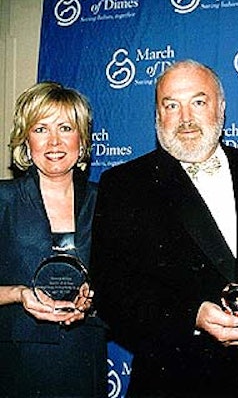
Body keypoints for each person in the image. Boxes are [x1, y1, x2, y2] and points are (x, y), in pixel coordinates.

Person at [90, 59, 238, 397]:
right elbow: (111, 291)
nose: (185, 118)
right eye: (171, 105)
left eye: (198, 102)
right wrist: (192, 316)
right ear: (158, 115)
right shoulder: (124, 184)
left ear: (221, 107)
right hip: (173, 380)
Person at [0, 82, 107, 397]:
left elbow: (127, 285)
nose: (55, 142)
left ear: (82, 139)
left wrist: (95, 298)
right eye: (41, 129)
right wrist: (19, 294)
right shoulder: (3, 200)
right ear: (26, 139)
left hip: (84, 359)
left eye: (65, 127)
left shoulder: (107, 202)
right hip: (16, 364)